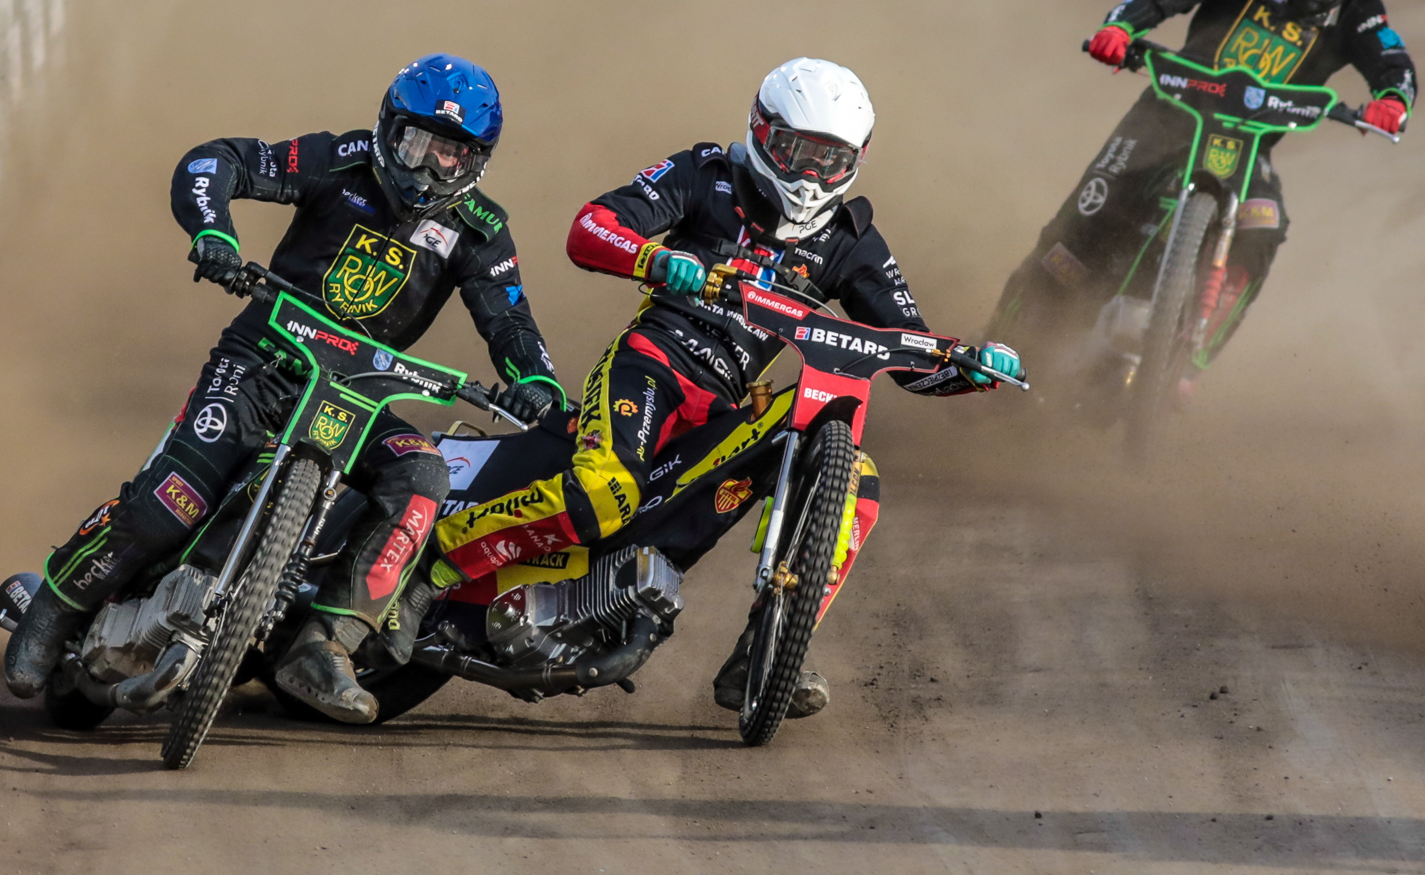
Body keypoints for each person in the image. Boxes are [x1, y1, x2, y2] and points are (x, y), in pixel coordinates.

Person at [407, 57, 1021, 717]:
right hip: (650, 364)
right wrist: (655, 258)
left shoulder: (852, 242)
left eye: (830, 159)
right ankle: (432, 568)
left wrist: (972, 367)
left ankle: (770, 644)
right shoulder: (708, 174)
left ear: (856, 161)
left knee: (858, 484)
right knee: (602, 493)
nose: (810, 175)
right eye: (797, 151)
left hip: (726, 405)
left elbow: (909, 352)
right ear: (763, 132)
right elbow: (591, 226)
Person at [3, 54, 565, 723]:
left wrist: (536, 382)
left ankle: (324, 642)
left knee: (423, 476)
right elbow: (216, 162)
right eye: (418, 144)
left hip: (362, 393)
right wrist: (213, 231)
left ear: (476, 163)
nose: (429, 167)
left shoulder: (480, 229)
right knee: (171, 503)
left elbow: (509, 318)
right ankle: (58, 601)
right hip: (263, 360)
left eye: (453, 155)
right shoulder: (339, 158)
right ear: (390, 129)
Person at [988, 0, 1417, 380]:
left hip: (1250, 147)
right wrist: (1122, 29)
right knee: (1079, 231)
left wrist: (1393, 101)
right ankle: (994, 353)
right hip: (1165, 116)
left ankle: (1185, 366)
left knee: (1264, 226)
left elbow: (1393, 62)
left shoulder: (1360, 7)